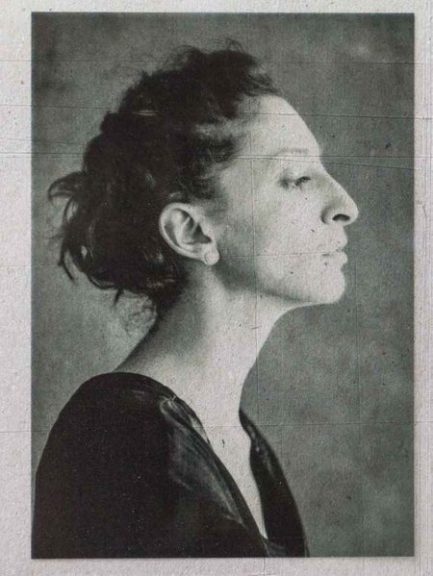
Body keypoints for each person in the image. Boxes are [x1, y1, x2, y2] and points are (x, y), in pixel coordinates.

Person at [32, 43, 359, 558]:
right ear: (192, 232)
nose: (345, 206)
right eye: (298, 178)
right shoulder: (124, 439)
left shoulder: (240, 441)